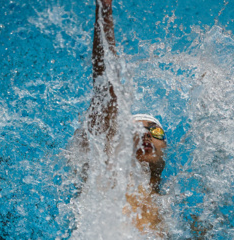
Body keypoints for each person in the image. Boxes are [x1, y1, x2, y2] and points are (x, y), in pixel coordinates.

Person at [72, 0, 168, 236]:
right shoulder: (112, 176)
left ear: (166, 145)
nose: (145, 134)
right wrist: (104, 9)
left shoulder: (171, 207)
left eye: (154, 130)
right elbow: (106, 85)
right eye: (133, 131)